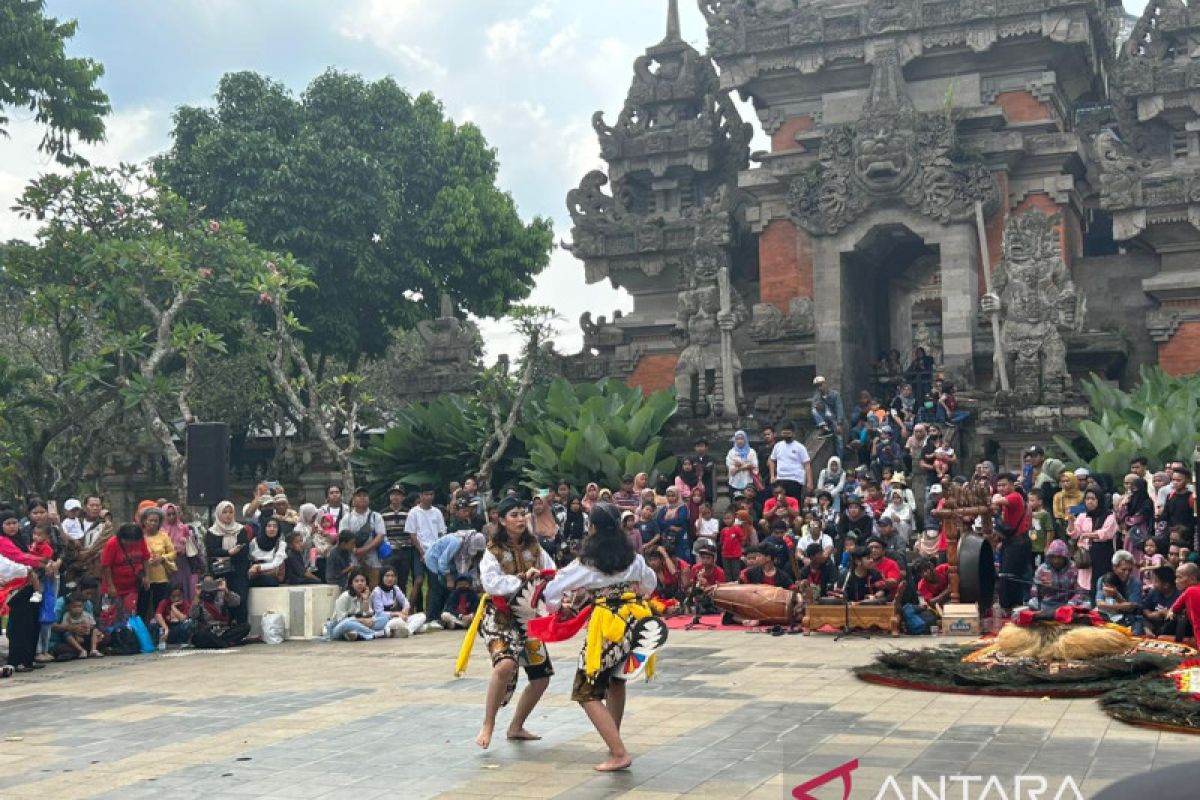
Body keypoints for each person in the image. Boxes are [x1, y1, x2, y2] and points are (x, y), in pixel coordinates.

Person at [540, 503, 662, 772]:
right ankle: (613, 740)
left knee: (586, 690)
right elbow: (650, 585)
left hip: (606, 625)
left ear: (592, 528)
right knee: (617, 681)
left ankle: (618, 752)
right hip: (634, 622)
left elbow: (553, 590)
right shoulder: (632, 557)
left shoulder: (587, 561)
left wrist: (558, 608)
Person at [472, 495, 557, 750]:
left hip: (527, 618)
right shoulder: (492, 550)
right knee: (505, 664)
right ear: (501, 520)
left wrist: (543, 584)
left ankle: (516, 726)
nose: (521, 519)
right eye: (514, 515)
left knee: (541, 677)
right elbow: (491, 584)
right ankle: (488, 723)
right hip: (499, 617)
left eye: (523, 514)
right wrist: (522, 579)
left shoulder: (535, 548)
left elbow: (551, 574)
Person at [204, 501, 251, 624]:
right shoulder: (212, 532)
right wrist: (228, 553)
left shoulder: (240, 529)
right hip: (219, 572)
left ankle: (241, 628)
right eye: (224, 512)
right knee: (221, 601)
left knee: (240, 599)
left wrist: (235, 553)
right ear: (219, 514)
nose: (228, 515)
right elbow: (211, 551)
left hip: (238, 571)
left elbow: (245, 548)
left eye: (230, 512)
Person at [993, 472, 1032, 613]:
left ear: (1012, 485)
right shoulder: (1009, 498)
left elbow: (996, 501)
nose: (1001, 488)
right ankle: (1011, 605)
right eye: (998, 486)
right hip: (1011, 542)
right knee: (1009, 575)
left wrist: (995, 497)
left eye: (1004, 485)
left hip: (1018, 543)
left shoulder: (1015, 497)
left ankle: (1010, 605)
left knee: (1008, 575)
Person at [403, 485, 445, 611]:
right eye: (426, 494)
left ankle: (429, 613)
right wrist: (421, 551)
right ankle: (409, 611)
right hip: (418, 551)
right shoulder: (413, 512)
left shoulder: (437, 512)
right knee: (418, 580)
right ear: (420, 496)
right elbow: (412, 534)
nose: (429, 497)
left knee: (433, 584)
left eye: (431, 494)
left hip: (434, 551)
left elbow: (441, 533)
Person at [1068, 488, 1118, 595]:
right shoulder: (1083, 515)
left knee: (1101, 580)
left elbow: (1107, 533)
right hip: (1086, 554)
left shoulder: (1109, 515)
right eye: (1087, 499)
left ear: (1099, 500)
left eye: (1093, 499)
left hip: (1102, 552)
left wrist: (1087, 535)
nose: (1089, 501)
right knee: (1086, 581)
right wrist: (1071, 522)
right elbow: (1075, 533)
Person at [100, 521, 150, 620]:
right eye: (129, 541)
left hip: (132, 587)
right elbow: (106, 566)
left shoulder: (140, 540)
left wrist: (147, 577)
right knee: (111, 615)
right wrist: (111, 585)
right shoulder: (112, 543)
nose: (132, 544)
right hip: (115, 586)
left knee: (130, 614)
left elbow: (145, 558)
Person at [339, 487, 385, 587]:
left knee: (374, 587)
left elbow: (380, 536)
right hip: (352, 560)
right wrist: (355, 551)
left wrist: (363, 550)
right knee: (355, 588)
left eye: (365, 496)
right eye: (359, 496)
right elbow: (343, 538)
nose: (362, 498)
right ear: (353, 499)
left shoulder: (376, 516)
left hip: (373, 559)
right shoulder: (347, 518)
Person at [190, 576, 249, 649]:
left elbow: (237, 602)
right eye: (207, 584)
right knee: (196, 638)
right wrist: (197, 595)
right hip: (208, 632)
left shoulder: (222, 594)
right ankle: (223, 643)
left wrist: (225, 590)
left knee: (246, 627)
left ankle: (218, 643)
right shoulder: (199, 598)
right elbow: (193, 615)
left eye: (211, 584)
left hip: (224, 631)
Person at [327, 569, 387, 641]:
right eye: (356, 581)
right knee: (348, 623)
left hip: (360, 625)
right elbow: (341, 620)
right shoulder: (344, 597)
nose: (360, 583)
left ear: (366, 583)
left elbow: (368, 615)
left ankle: (358, 635)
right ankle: (374, 634)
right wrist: (360, 620)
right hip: (339, 628)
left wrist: (365, 600)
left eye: (362, 581)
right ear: (351, 584)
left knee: (383, 618)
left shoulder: (367, 595)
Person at [138, 506, 176, 619]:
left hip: (161, 578)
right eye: (150, 520)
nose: (153, 523)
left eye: (156, 521)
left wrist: (162, 558)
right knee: (142, 607)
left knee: (160, 606)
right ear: (144, 521)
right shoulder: (139, 536)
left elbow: (173, 553)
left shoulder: (163, 536)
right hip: (144, 577)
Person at [1029, 539, 1086, 611]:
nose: (1056, 561)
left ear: (1065, 557)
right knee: (1032, 602)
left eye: (1059, 557)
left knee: (1087, 604)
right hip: (1048, 603)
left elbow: (1080, 592)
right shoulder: (1042, 569)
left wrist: (1070, 604)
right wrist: (1042, 589)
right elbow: (1034, 593)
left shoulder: (1073, 568)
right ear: (1049, 557)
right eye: (1053, 557)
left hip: (1067, 603)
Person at [371, 566, 427, 638]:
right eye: (387, 576)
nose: (390, 579)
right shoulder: (377, 591)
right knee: (420, 627)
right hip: (385, 621)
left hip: (400, 619)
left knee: (422, 616)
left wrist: (405, 610)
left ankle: (407, 631)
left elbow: (406, 602)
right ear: (382, 577)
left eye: (392, 576)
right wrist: (397, 614)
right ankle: (411, 629)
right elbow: (379, 613)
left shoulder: (395, 589)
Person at [1095, 550, 1143, 632]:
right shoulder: (1104, 579)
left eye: (1130, 570)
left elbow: (1131, 608)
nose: (1127, 573)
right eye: (1123, 570)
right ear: (1114, 567)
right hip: (1106, 617)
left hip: (1129, 619)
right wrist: (1122, 606)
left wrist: (1116, 596)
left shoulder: (1135, 583)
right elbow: (1100, 604)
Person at [769, 422, 813, 502]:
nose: (786, 436)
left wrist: (809, 482)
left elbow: (807, 464)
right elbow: (772, 460)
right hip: (781, 479)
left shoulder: (800, 447)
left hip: (795, 479)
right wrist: (772, 476)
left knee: (794, 503)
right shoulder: (778, 446)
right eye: (784, 433)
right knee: (780, 503)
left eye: (788, 433)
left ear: (793, 433)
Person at [56, 594, 104, 658]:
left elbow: (93, 625)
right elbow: (65, 627)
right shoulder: (67, 616)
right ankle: (81, 650)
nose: (77, 609)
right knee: (66, 635)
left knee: (95, 631)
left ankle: (93, 650)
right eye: (74, 607)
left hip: (86, 635)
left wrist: (87, 628)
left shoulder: (86, 615)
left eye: (79, 606)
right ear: (68, 607)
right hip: (74, 638)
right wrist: (75, 632)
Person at [811, 376, 845, 460]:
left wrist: (839, 423)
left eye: (821, 385)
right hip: (825, 419)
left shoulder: (835, 395)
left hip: (834, 420)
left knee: (839, 441)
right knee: (814, 410)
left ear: (825, 384)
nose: (819, 388)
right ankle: (823, 427)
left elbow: (839, 408)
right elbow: (815, 409)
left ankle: (840, 460)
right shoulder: (816, 397)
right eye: (817, 386)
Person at [654, 486, 690, 565]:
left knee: (681, 559)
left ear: (677, 496)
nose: (670, 498)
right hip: (667, 538)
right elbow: (659, 520)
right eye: (668, 496)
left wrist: (666, 521)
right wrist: (670, 527)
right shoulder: (664, 508)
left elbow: (680, 520)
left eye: (673, 496)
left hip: (680, 537)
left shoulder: (683, 507)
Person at [248, 517, 287, 587]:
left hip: (270, 573)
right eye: (269, 526)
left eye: (275, 526)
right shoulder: (255, 541)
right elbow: (249, 556)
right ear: (264, 528)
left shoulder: (281, 544)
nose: (272, 529)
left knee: (270, 581)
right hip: (253, 572)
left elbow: (275, 564)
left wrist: (259, 567)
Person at [1166, 562, 1200, 643]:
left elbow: (1197, 623)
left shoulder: (1193, 591)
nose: (1176, 581)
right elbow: (1174, 608)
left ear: (1192, 579)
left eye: (1179, 577)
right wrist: (1172, 611)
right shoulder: (1187, 592)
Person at [1141, 566, 1179, 637]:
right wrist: (1150, 615)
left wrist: (1166, 614)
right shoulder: (1154, 592)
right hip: (1152, 625)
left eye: (1156, 581)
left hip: (1169, 631)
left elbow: (1180, 619)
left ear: (1166, 585)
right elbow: (1144, 607)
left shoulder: (1179, 596)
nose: (1153, 584)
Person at [725, 431, 760, 499]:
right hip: (734, 483)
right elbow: (732, 471)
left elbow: (754, 466)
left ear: (745, 439)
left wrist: (740, 466)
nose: (739, 441)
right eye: (737, 439)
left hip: (748, 483)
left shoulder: (751, 452)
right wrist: (746, 466)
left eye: (741, 438)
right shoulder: (731, 452)